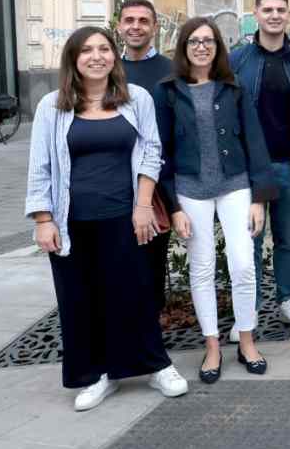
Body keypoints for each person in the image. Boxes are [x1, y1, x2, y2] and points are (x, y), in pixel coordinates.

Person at [26, 27, 188, 411]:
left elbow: (152, 152)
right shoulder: (52, 106)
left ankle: (156, 365)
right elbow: (40, 167)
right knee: (80, 300)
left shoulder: (138, 100)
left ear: (114, 56)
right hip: (72, 221)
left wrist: (144, 205)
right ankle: (98, 374)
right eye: (87, 50)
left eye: (104, 49)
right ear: (74, 59)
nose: (96, 56)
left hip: (126, 218)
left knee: (136, 294)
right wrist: (43, 219)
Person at [154, 18, 275, 382]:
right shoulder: (169, 91)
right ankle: (211, 347)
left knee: (242, 265)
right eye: (194, 41)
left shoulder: (232, 88)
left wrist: (259, 199)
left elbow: (255, 142)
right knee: (202, 268)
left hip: (236, 185)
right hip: (191, 190)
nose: (202, 47)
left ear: (218, 47)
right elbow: (162, 153)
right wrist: (173, 207)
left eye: (208, 41)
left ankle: (247, 339)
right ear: (184, 47)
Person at [229, 0, 290, 332]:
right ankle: (248, 311)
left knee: (287, 238)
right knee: (249, 240)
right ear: (255, 13)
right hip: (247, 170)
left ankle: (288, 299)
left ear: (288, 14)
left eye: (281, 9)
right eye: (267, 9)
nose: (274, 15)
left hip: (287, 164)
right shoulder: (237, 60)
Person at [116, 0, 175, 311]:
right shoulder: (106, 70)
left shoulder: (171, 71)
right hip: (113, 185)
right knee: (117, 270)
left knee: (151, 267)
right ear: (119, 26)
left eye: (143, 20)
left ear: (155, 26)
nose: (135, 26)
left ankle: (151, 345)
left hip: (159, 187)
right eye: (129, 20)